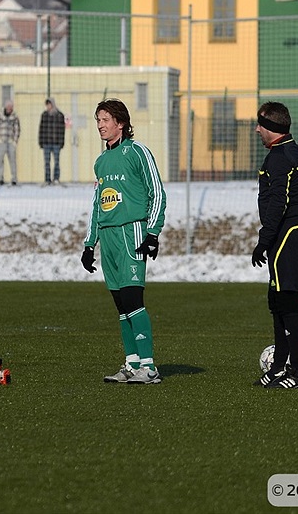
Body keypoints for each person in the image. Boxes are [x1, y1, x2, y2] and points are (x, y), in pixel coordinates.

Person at [81, 98, 166, 384]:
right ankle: (132, 365)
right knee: (120, 304)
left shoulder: (137, 151)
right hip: (108, 237)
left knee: (133, 299)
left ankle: (149, 367)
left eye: (105, 120)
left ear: (121, 123)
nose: (100, 125)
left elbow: (157, 191)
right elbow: (97, 204)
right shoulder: (101, 161)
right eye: (97, 120)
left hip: (131, 232)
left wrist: (153, 233)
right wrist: (89, 244)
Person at [252, 101, 298, 390]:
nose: (257, 130)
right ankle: (279, 367)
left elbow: (279, 202)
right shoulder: (288, 151)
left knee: (287, 302)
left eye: (261, 125)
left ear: (273, 129)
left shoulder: (280, 157)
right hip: (289, 232)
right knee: (277, 301)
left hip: (290, 233)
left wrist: (264, 240)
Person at [38, 97, 65, 185]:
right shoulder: (44, 115)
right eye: (47, 104)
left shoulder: (60, 115)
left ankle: (56, 178)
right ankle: (47, 179)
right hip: (46, 143)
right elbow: (41, 129)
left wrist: (61, 142)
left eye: (49, 104)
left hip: (56, 143)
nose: (47, 106)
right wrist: (41, 141)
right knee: (47, 162)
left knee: (56, 161)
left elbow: (62, 130)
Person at [0, 100, 20, 185]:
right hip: (0, 141)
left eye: (11, 107)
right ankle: (0, 178)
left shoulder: (15, 117)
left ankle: (14, 178)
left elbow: (17, 129)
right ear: (5, 107)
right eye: (8, 107)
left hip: (10, 141)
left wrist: (15, 141)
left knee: (12, 160)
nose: (10, 109)